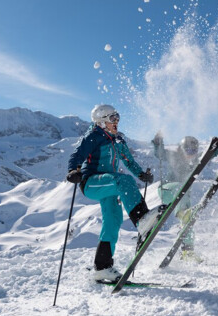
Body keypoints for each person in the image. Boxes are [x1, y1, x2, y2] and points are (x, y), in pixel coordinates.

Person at [66, 104, 158, 281]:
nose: (117, 121)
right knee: (123, 180)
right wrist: (73, 171)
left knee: (113, 221)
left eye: (117, 118)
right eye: (112, 118)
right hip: (92, 182)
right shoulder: (94, 136)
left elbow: (128, 161)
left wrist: (141, 175)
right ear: (101, 122)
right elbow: (77, 155)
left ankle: (102, 267)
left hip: (109, 184)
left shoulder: (118, 140)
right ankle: (142, 219)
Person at [152, 132, 218, 261]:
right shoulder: (174, 156)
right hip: (167, 190)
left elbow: (210, 155)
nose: (190, 153)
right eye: (187, 150)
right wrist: (157, 142)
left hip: (182, 196)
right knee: (181, 187)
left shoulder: (196, 160)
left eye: (193, 150)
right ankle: (183, 214)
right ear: (181, 149)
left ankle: (187, 251)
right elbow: (159, 154)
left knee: (188, 221)